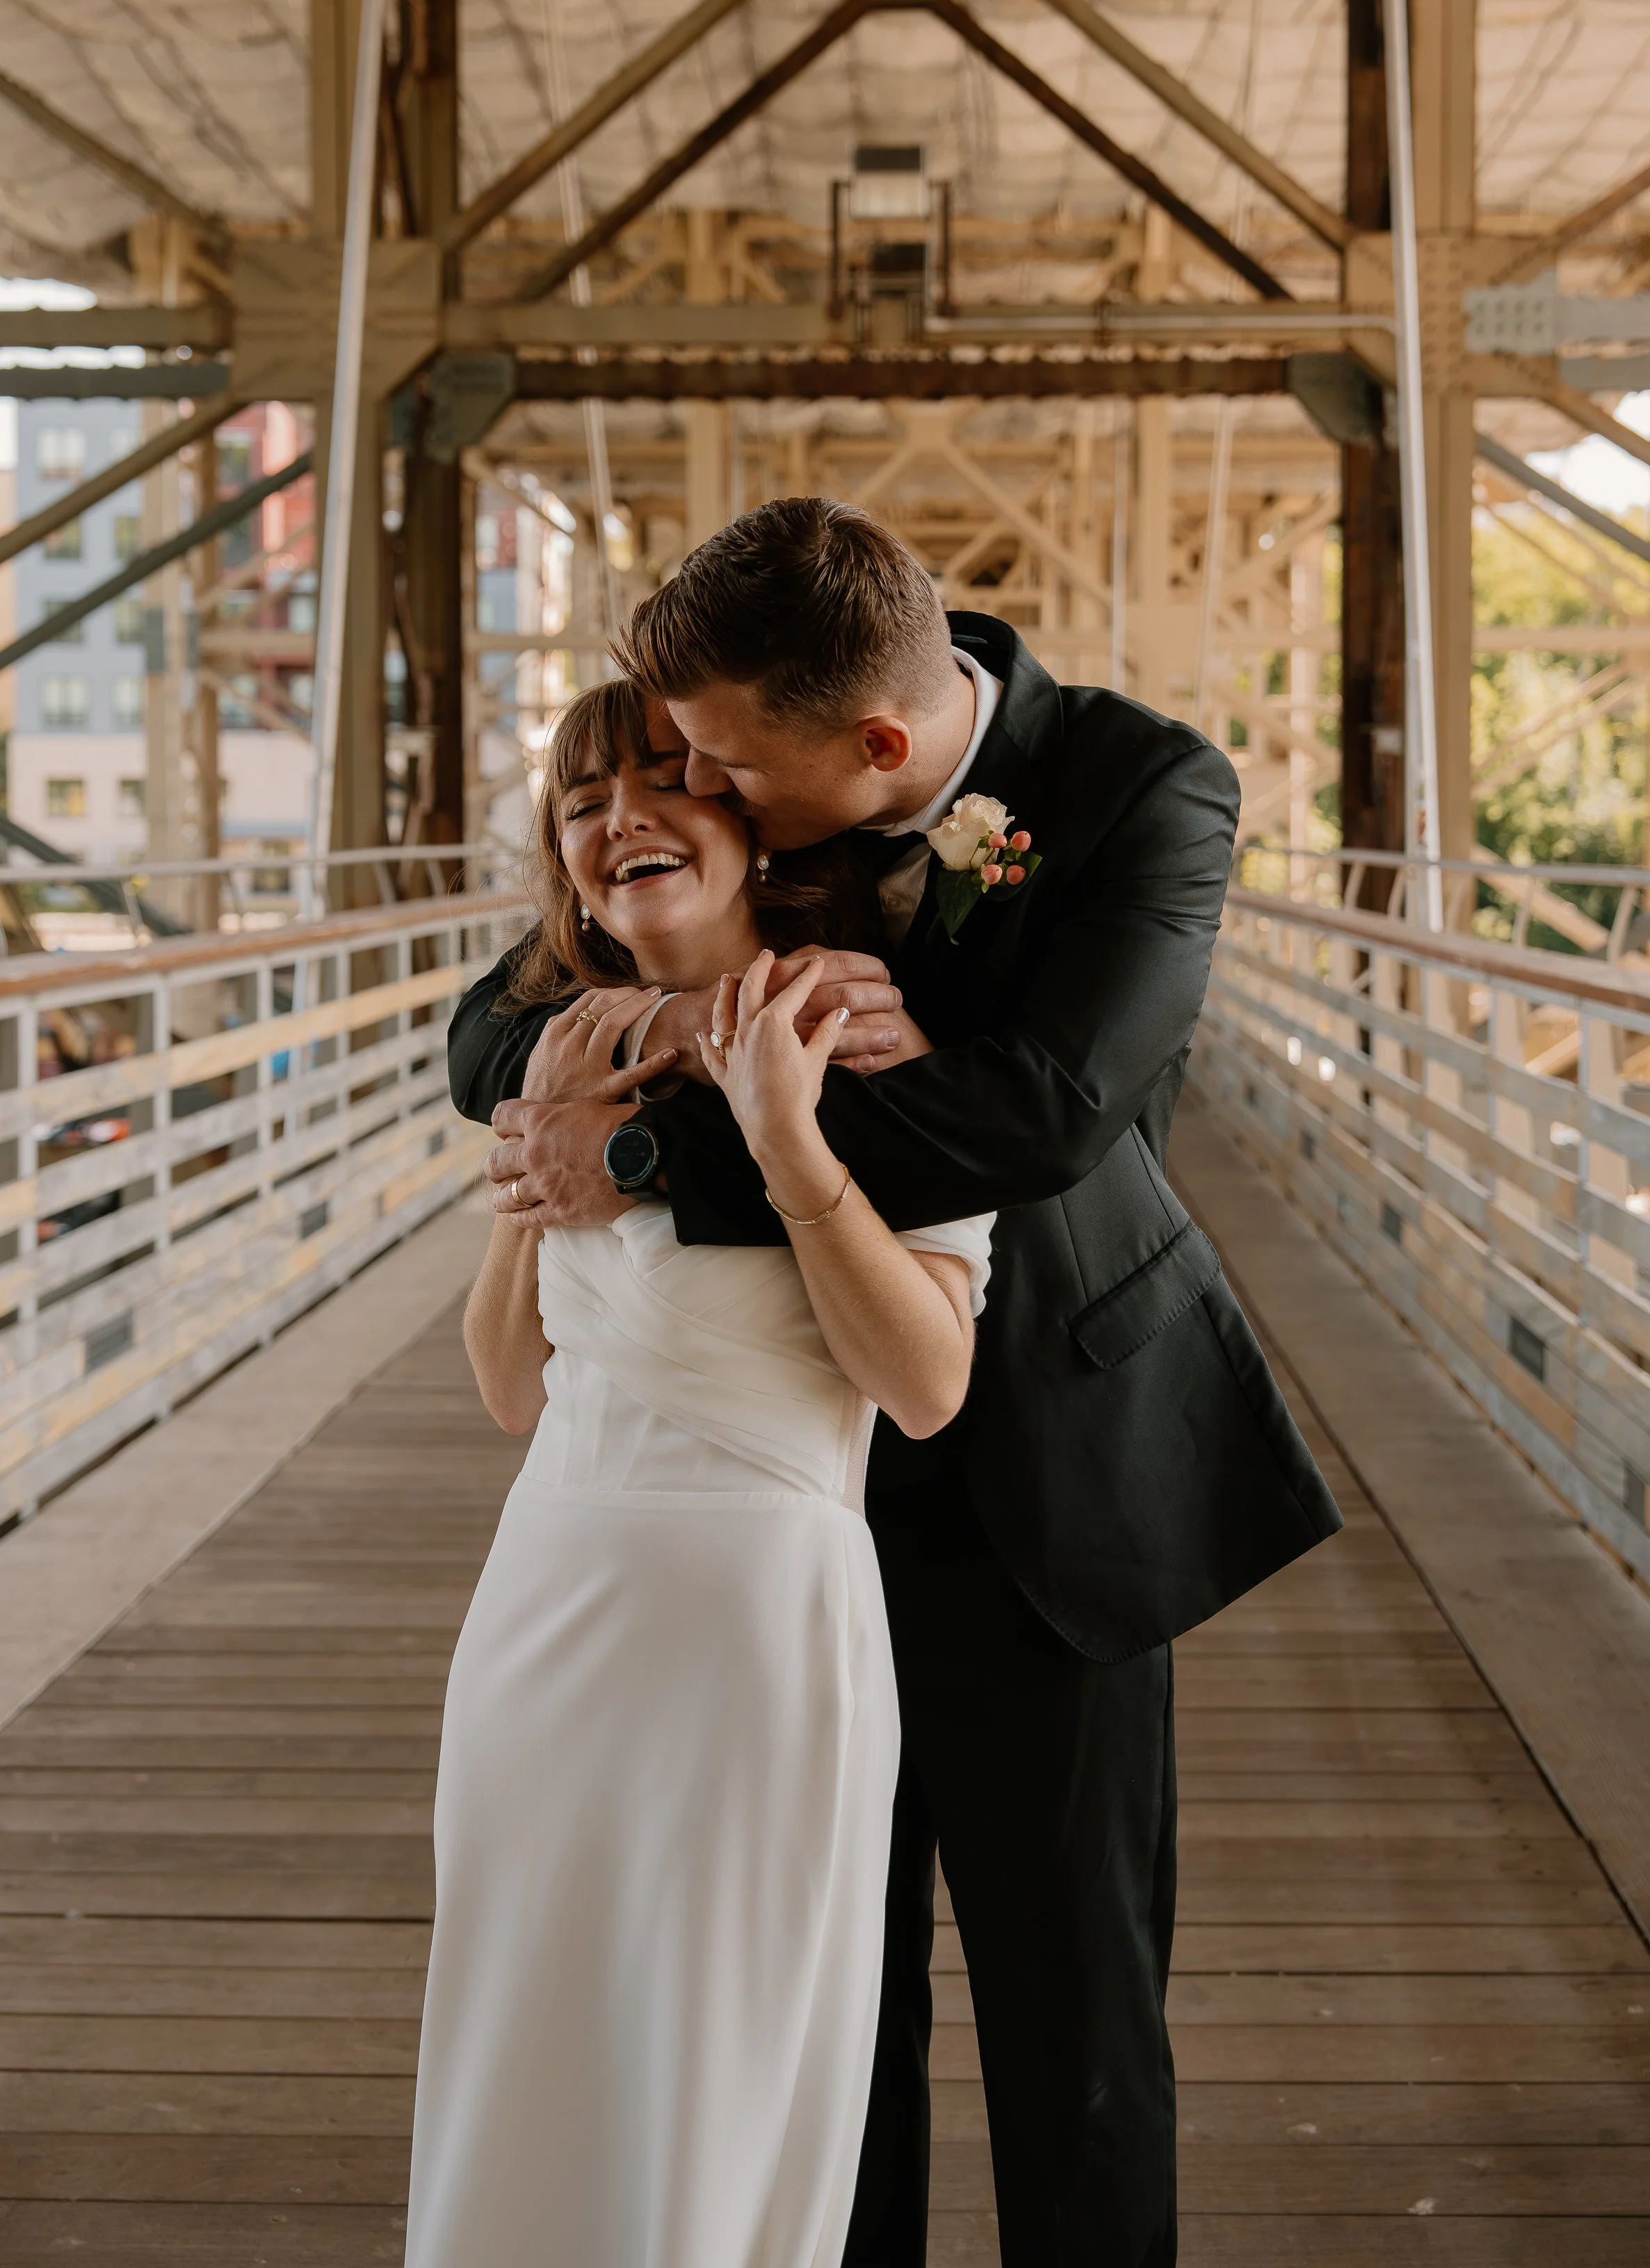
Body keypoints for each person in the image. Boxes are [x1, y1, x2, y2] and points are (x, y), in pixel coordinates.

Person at [450, 499, 1342, 2268]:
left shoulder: (1140, 793)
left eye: (713, 760)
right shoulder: (756, 810)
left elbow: (1045, 1116)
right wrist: (652, 1053)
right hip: (778, 1499)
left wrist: (635, 1167)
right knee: (820, 2006)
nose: (690, 786)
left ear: (868, 748)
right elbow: (497, 1039)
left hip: (1043, 1468)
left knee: (1073, 2014)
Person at [406, 677, 994, 2268]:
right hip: (546, 1604)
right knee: (528, 2032)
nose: (619, 823)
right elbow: (512, 1386)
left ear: (751, 818)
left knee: (719, 2055)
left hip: (757, 1619)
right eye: (584, 803)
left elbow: (929, 1389)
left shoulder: (864, 1037)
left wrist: (794, 1150)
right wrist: (539, 1170)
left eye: (667, 781)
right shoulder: (560, 1042)